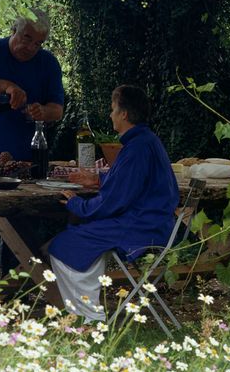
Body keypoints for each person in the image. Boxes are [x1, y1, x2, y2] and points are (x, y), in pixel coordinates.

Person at [48, 85, 179, 322]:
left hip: (141, 227)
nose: (111, 115)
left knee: (64, 245)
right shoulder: (146, 141)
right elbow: (131, 182)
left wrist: (77, 204)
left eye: (112, 109)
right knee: (84, 240)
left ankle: (89, 316)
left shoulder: (136, 148)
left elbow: (113, 202)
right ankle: (88, 314)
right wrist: (99, 178)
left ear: (124, 114)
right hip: (155, 223)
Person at [0, 10, 65, 163]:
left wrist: (42, 112)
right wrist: (7, 86)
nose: (30, 48)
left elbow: (57, 111)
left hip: (27, 162)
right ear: (14, 29)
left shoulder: (48, 63)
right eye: (27, 38)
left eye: (38, 44)